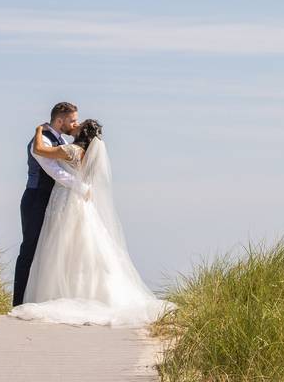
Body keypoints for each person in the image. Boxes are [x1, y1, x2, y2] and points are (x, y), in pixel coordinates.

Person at [9, 117, 176, 327]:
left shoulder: (71, 150)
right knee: (84, 246)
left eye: (78, 124)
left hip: (67, 199)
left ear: (81, 132)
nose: (74, 125)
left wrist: (37, 129)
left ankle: (63, 293)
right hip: (82, 201)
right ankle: (89, 292)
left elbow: (40, 150)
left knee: (63, 246)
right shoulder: (89, 154)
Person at [11, 102, 84, 307]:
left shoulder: (60, 139)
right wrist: (81, 188)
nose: (74, 124)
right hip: (36, 198)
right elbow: (54, 171)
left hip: (53, 201)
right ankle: (18, 303)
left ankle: (38, 299)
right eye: (72, 120)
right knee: (30, 248)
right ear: (60, 120)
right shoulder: (42, 138)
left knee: (48, 249)